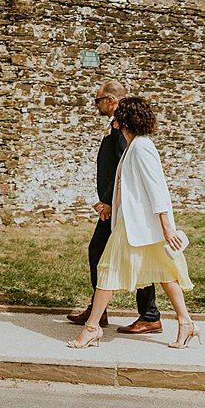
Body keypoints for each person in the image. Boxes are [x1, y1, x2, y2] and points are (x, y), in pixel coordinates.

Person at [68, 97, 199, 350]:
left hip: (139, 226)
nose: (114, 119)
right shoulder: (134, 146)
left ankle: (92, 328)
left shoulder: (141, 147)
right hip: (139, 225)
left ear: (124, 120)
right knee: (165, 274)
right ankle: (186, 323)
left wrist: (166, 226)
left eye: (119, 115)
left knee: (107, 270)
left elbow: (157, 188)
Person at [67, 81, 161, 334]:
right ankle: (107, 311)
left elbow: (123, 169)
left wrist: (108, 202)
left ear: (110, 100)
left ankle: (146, 315)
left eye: (97, 100)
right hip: (116, 204)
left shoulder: (122, 129)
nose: (95, 105)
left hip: (119, 207)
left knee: (109, 253)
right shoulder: (116, 127)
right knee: (118, 253)